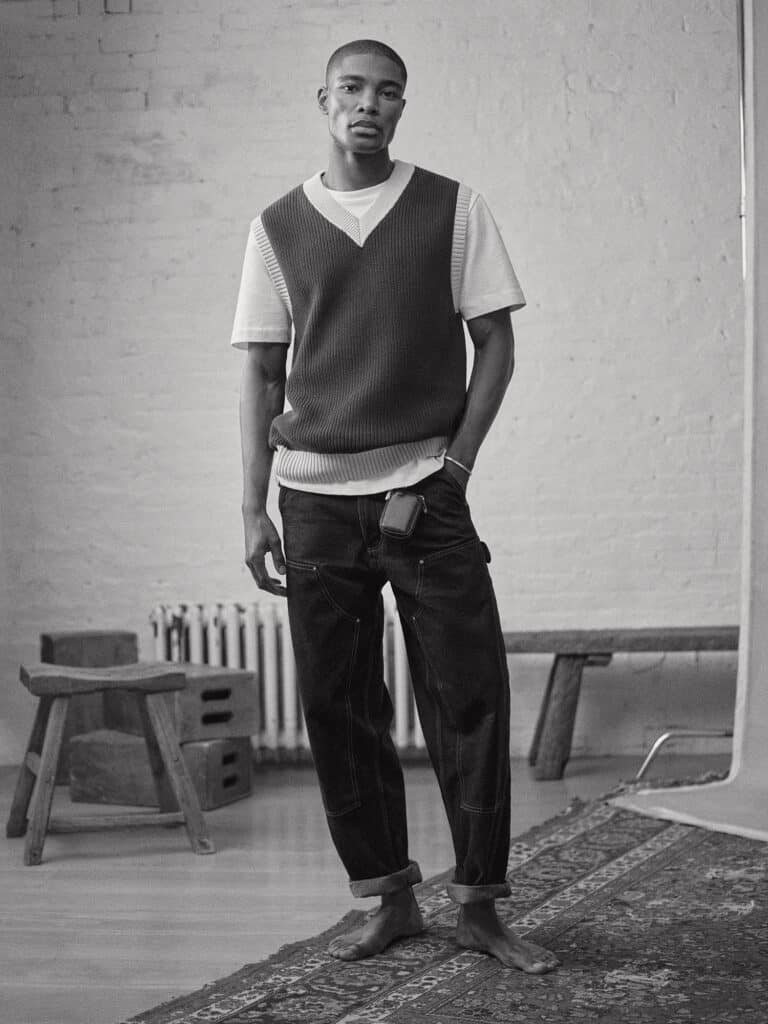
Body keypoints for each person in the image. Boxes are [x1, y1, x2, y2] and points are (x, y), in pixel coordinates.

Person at [231, 38, 559, 974]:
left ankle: (482, 907)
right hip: (314, 504)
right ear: (323, 99)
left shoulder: (453, 209)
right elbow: (260, 371)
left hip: (425, 492)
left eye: (386, 93)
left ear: (402, 106)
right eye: (351, 90)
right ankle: (390, 899)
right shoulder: (277, 226)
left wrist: (454, 467)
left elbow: (495, 345)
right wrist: (250, 508)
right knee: (341, 707)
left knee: (469, 697)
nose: (367, 106)